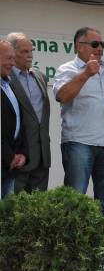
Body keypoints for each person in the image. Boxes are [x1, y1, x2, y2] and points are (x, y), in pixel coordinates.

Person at [53, 27, 104, 219]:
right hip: (79, 142)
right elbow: (62, 96)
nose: (100, 48)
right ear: (79, 46)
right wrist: (85, 74)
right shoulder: (67, 69)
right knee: (75, 202)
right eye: (95, 44)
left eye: (102, 44)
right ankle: (74, 248)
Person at [7, 32, 51, 193]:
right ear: (12, 53)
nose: (29, 56)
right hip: (18, 156)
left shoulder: (40, 76)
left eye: (31, 51)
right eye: (24, 52)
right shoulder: (6, 78)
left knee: (39, 210)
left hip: (42, 155)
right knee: (14, 209)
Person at [0, 40, 27, 198]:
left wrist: (22, 153)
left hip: (9, 167)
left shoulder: (9, 85)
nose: (13, 63)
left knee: (6, 216)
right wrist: (9, 156)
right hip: (5, 159)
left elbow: (19, 123)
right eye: (8, 58)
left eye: (13, 58)